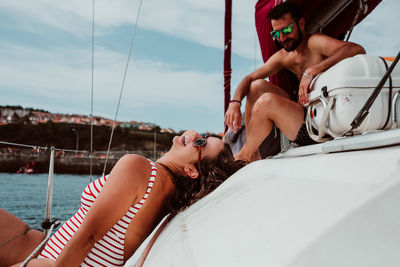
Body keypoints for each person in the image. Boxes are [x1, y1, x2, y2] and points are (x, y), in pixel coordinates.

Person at [0, 130, 244, 267]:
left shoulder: (139, 168)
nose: (193, 135)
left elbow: (89, 237)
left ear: (192, 171)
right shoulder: (170, 195)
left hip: (55, 261)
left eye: (200, 143)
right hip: (42, 245)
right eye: (202, 134)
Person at [224, 2, 366, 162]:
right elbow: (249, 78)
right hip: (300, 112)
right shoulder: (285, 56)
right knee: (256, 86)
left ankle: (245, 156)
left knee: (266, 101)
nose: (283, 38)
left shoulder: (314, 43)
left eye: (286, 30)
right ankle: (251, 150)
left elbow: (356, 49)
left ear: (301, 24)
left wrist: (313, 70)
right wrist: (235, 102)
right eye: (277, 34)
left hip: (319, 125)